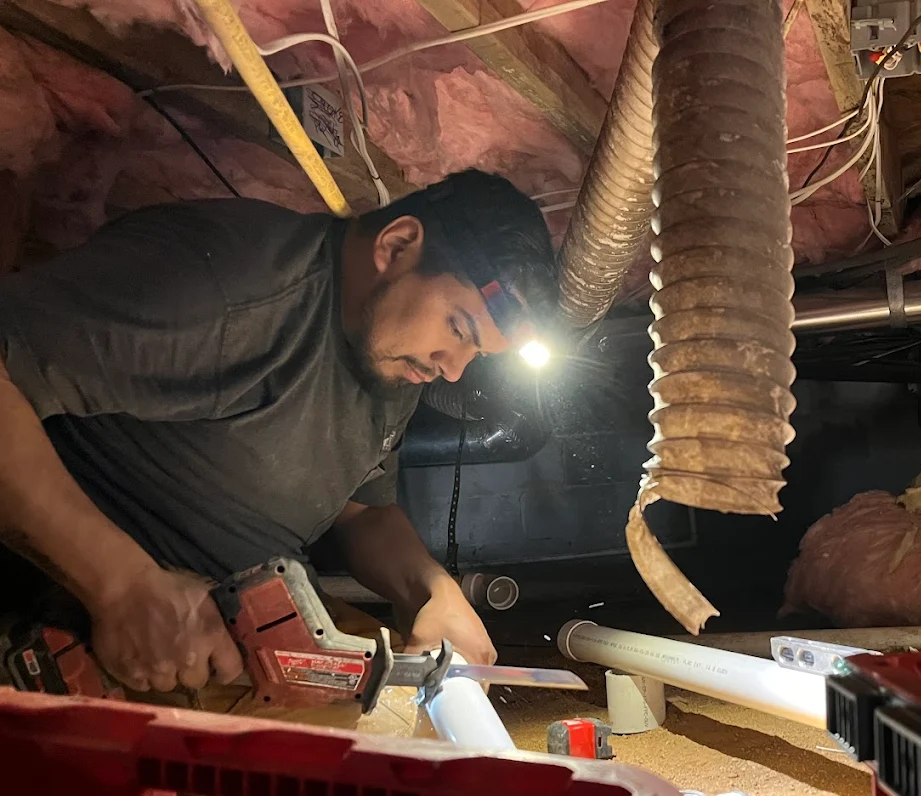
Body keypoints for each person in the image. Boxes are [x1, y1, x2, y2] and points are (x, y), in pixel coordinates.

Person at [0, 169, 555, 730]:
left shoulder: (393, 358)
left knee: (412, 745)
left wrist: (431, 588)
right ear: (396, 246)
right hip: (60, 611)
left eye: (476, 355)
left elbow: (361, 510)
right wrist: (117, 583)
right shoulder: (230, 287)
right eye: (459, 329)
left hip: (235, 631)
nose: (453, 371)